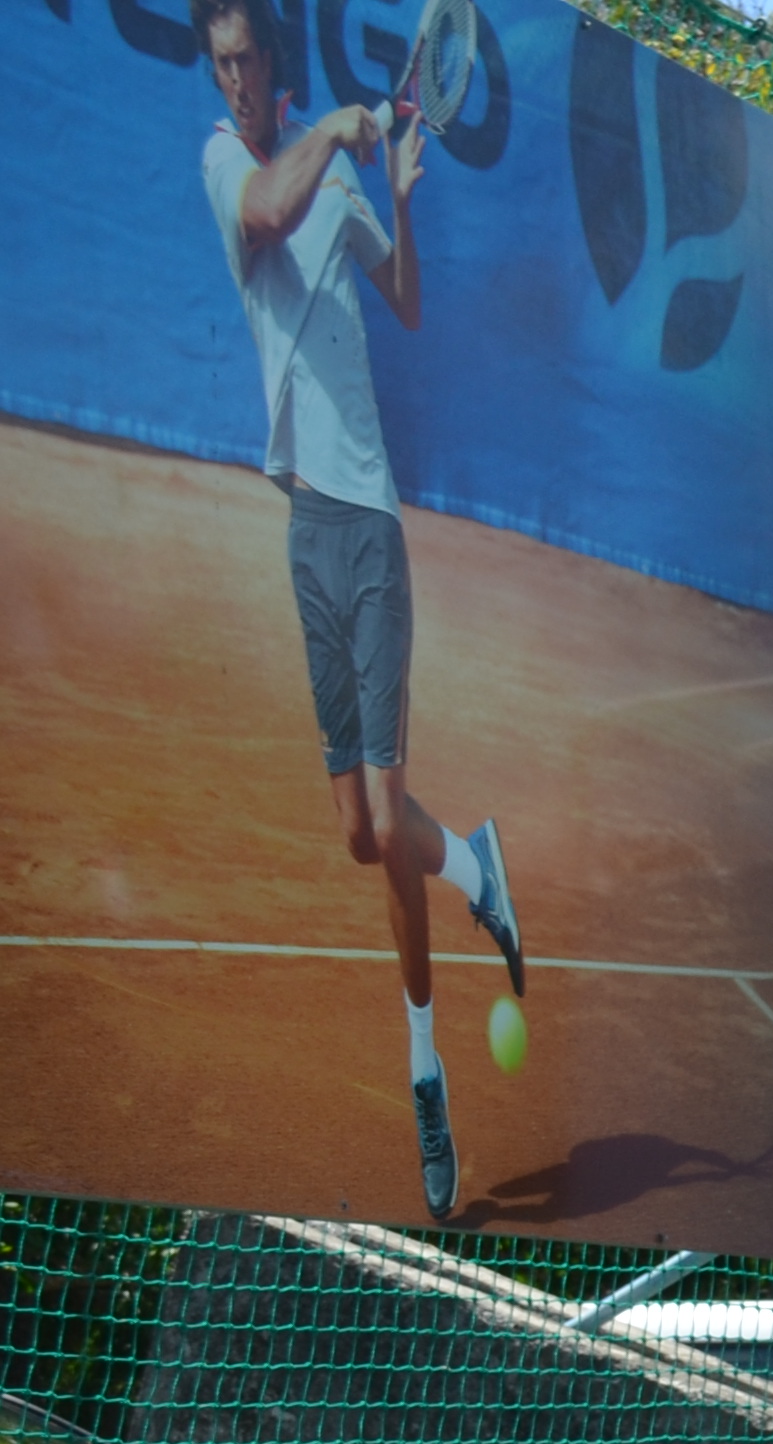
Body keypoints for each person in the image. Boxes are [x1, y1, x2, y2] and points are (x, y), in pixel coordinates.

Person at [199, 0, 520, 1226]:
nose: (235, 79)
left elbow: (408, 300)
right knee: (355, 835)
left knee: (386, 814)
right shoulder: (234, 164)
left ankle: (426, 1066)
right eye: (220, 62)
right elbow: (266, 213)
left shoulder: (327, 172)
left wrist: (393, 182)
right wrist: (334, 137)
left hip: (369, 521)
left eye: (248, 58)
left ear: (275, 57)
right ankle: (476, 859)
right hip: (304, 533)